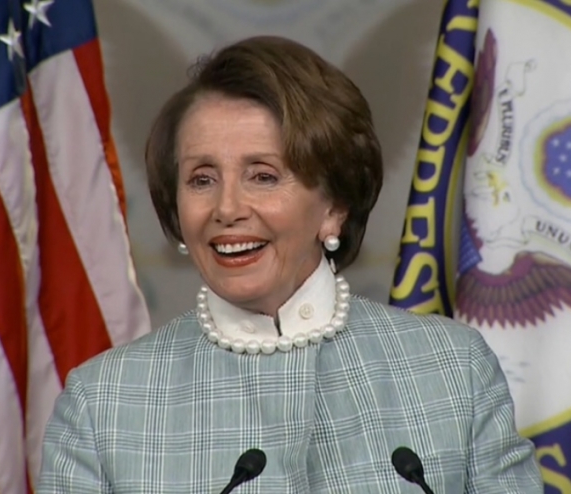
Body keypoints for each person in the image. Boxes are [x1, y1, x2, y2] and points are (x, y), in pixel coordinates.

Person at [36, 35, 543, 493]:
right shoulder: (102, 403)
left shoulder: (453, 369)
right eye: (201, 179)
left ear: (334, 208)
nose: (227, 208)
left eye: (262, 175)